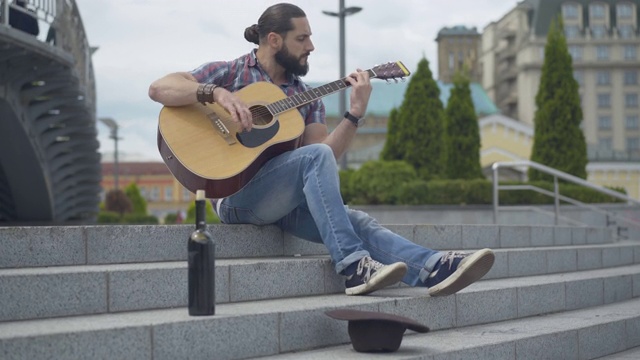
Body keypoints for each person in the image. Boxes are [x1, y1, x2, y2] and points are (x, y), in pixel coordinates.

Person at [149, 3, 495, 297]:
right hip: (235, 197)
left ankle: (434, 267)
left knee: (355, 219)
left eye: (310, 38)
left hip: (280, 200)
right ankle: (354, 265)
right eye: (302, 38)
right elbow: (160, 88)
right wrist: (218, 94)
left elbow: (323, 156)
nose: (311, 46)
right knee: (330, 188)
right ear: (274, 40)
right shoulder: (231, 71)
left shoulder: (307, 96)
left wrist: (354, 114)